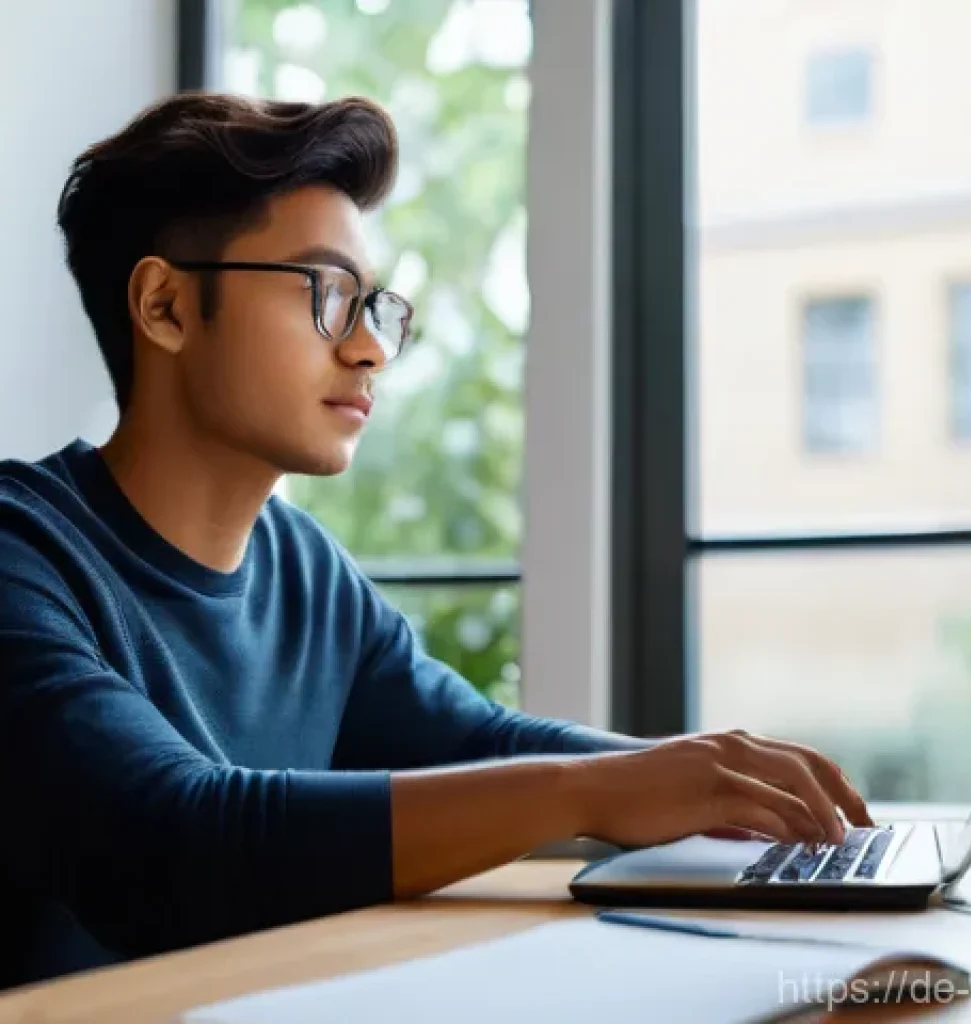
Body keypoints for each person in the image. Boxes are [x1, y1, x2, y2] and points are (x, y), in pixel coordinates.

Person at [0, 92, 871, 985]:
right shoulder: (23, 554)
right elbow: (178, 840)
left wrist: (712, 780)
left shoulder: (303, 570)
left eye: (373, 305)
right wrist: (598, 791)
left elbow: (481, 742)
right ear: (166, 308)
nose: (370, 348)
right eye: (326, 293)